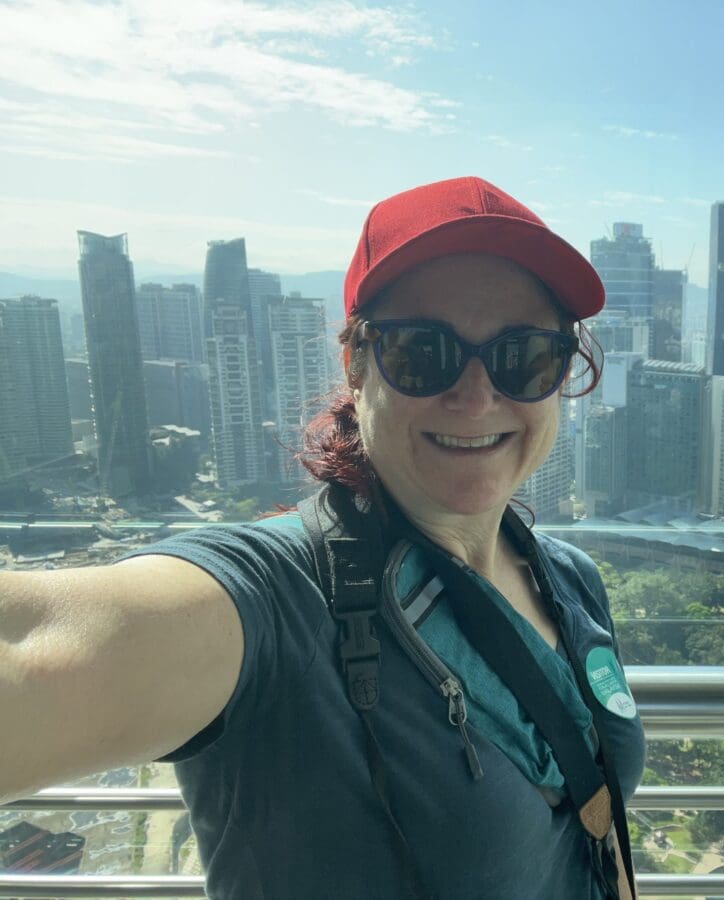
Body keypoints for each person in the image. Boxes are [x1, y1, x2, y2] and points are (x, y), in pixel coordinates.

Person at [0, 177, 646, 899]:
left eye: (522, 354)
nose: (475, 396)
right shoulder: (283, 603)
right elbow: (39, 647)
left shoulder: (569, 580)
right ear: (357, 364)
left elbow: (597, 830)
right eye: (421, 352)